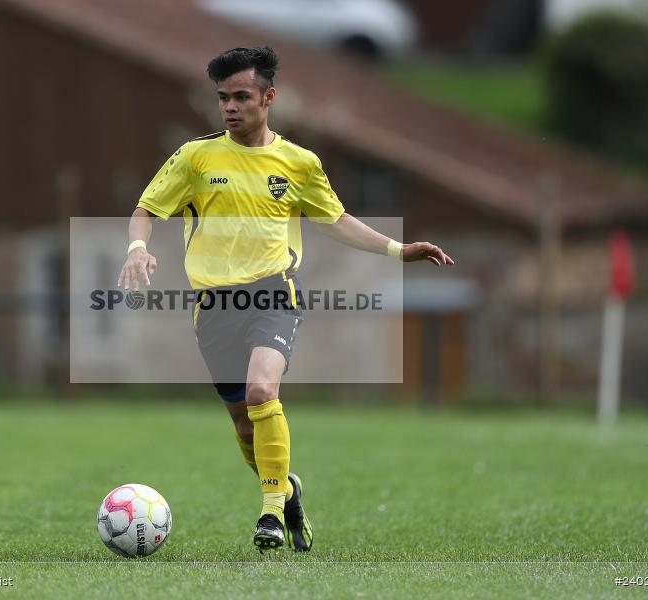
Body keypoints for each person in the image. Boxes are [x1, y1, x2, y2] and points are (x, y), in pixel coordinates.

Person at [118, 46, 453, 553]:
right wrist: (138, 248)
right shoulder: (195, 157)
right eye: (223, 98)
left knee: (260, 392)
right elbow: (146, 207)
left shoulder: (299, 163)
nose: (230, 107)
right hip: (213, 305)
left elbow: (335, 219)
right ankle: (288, 491)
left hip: (274, 292)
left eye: (241, 96)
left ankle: (271, 514)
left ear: (268, 97)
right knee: (243, 425)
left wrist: (397, 249)